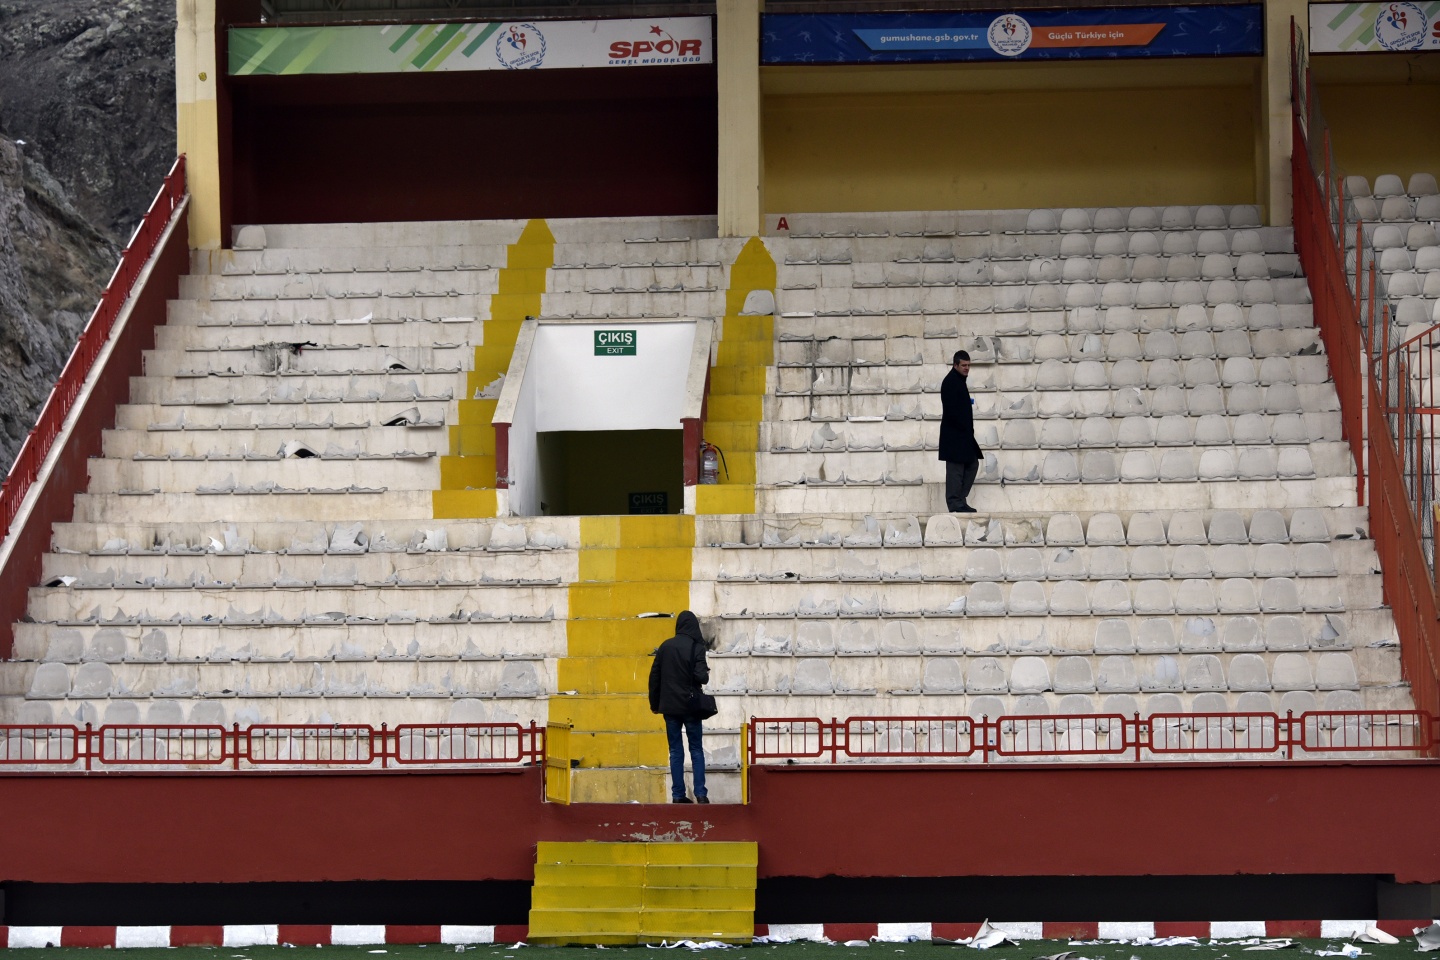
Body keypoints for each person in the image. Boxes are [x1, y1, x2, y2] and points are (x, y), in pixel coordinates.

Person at [648, 610, 710, 804]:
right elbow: (702, 678)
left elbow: (654, 679)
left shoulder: (665, 647)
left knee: (675, 751)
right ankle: (700, 794)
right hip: (691, 706)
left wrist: (655, 704)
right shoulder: (696, 647)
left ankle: (677, 795)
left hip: (670, 708)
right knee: (696, 749)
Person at [939, 349, 982, 513]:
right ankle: (955, 503)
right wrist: (962, 431)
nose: (967, 368)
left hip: (963, 435)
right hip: (955, 436)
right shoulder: (950, 382)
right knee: (955, 471)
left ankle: (960, 499)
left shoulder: (958, 380)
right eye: (964, 365)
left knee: (972, 464)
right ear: (955, 365)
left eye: (969, 365)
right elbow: (952, 411)